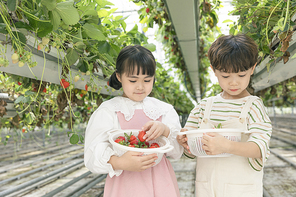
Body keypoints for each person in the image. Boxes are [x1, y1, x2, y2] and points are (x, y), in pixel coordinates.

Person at [177, 34, 272, 197]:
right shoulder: (203, 107)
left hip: (241, 190)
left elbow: (259, 148)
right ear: (214, 71)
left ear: (252, 68)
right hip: (207, 189)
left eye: (241, 75)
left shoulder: (253, 106)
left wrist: (227, 146)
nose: (234, 82)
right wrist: (184, 141)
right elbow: (191, 150)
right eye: (226, 76)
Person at [84, 45, 183, 197]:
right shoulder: (109, 111)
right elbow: (92, 155)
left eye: (147, 80)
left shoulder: (164, 110)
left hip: (161, 182)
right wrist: (119, 162)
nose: (140, 86)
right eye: (133, 80)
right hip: (126, 185)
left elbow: (177, 152)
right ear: (119, 76)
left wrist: (165, 130)